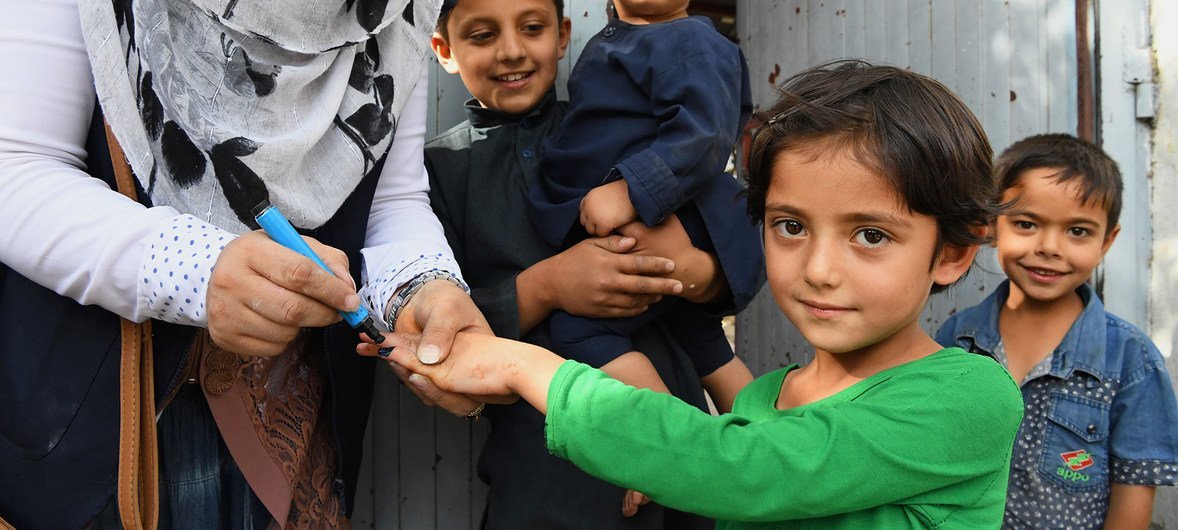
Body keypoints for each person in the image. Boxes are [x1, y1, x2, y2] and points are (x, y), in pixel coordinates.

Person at [368, 61, 1026, 528]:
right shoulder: (767, 398)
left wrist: (522, 363)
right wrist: (654, 461)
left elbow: (744, 469)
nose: (821, 269)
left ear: (952, 253)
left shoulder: (967, 395)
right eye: (791, 227)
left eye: (871, 235)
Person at [0, 0, 492, 527]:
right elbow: (19, 168)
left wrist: (426, 286)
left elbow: (390, 201)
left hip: (294, 421)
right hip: (102, 422)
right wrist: (197, 271)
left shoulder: (401, 10)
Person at [422, 0, 755, 526]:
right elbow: (439, 324)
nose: (511, 50)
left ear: (562, 37)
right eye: (483, 35)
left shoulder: (618, 127)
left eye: (532, 28)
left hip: (683, 451)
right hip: (543, 467)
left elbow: (720, 230)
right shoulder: (436, 174)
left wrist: (694, 272)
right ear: (443, 50)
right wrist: (549, 287)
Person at [936, 134, 1178, 529]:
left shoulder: (1131, 360)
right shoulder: (957, 340)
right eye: (1026, 223)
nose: (1049, 247)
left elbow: (1132, 501)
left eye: (1078, 231)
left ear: (1107, 241)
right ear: (993, 226)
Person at [526, 0, 764, 394]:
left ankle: (674, 441)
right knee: (699, 335)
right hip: (659, 215)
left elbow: (705, 135)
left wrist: (631, 190)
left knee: (579, 331)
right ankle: (767, 441)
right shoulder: (623, 38)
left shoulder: (692, 42)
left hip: (675, 215)